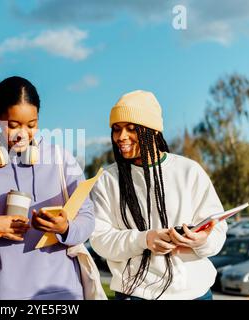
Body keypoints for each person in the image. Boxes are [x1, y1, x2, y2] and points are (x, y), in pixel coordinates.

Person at [0, 76, 95, 300]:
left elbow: (88, 218)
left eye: (31, 125)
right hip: (4, 295)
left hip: (63, 293)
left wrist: (65, 228)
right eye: (13, 125)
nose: (23, 134)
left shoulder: (62, 160)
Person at [89, 90, 228, 300]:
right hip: (136, 294)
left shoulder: (189, 171)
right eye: (116, 129)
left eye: (131, 129)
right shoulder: (108, 179)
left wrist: (200, 240)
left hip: (195, 293)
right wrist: (144, 239)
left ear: (153, 131)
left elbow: (217, 232)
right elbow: (99, 240)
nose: (121, 137)